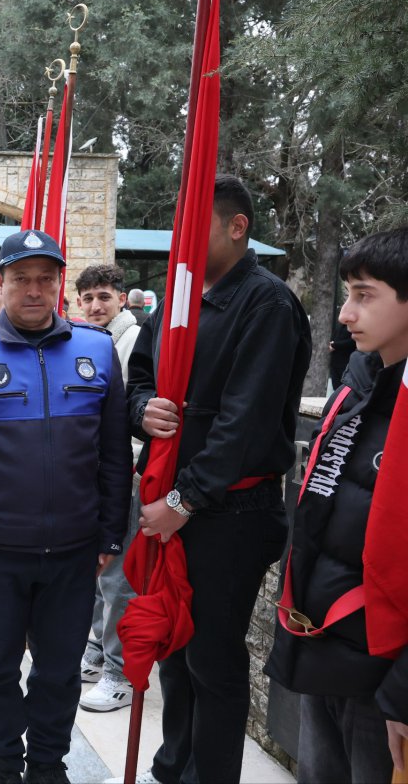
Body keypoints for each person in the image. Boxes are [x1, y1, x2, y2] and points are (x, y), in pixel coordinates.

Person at [0, 229, 132, 784]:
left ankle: (47, 767)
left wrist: (110, 534)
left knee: (59, 673)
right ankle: (3, 764)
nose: (33, 290)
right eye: (21, 279)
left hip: (74, 552)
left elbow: (112, 453)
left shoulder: (96, 349)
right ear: (0, 283)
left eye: (45, 279)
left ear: (59, 284)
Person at [128, 175, 311, 784]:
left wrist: (183, 499)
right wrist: (142, 407)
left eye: (195, 224)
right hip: (174, 508)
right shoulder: (176, 297)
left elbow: (246, 421)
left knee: (211, 658)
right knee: (175, 652)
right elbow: (139, 380)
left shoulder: (267, 304)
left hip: (230, 513)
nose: (181, 238)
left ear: (237, 227)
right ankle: (172, 767)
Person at [264, 227, 408, 783]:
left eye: (364, 295)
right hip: (323, 642)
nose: (345, 314)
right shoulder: (360, 380)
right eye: (346, 293)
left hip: (383, 674)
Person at [72, 263, 141, 713]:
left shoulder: (134, 340)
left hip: (127, 473)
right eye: (88, 298)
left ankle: (121, 672)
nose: (96, 305)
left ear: (121, 298)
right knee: (98, 571)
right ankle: (98, 651)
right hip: (95, 472)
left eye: (104, 297)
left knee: (118, 577)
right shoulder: (92, 341)